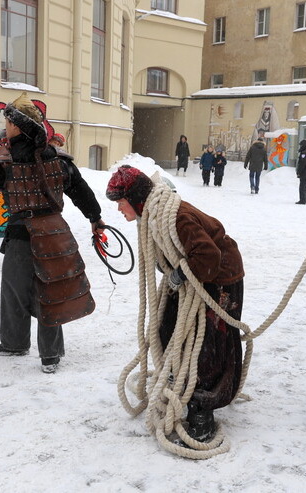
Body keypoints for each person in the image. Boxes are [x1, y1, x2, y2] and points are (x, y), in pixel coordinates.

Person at [0, 93, 104, 374]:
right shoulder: (58, 158)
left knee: (15, 289)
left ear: (16, 126)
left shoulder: (5, 160)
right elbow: (81, 190)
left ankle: (15, 342)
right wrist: (95, 218)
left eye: (8, 121)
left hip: (22, 234)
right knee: (49, 289)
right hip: (55, 231)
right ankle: (50, 354)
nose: (6, 126)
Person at [106, 165, 244, 443]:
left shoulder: (177, 217)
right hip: (200, 275)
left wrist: (181, 272)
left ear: (135, 200)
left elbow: (208, 254)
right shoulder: (154, 215)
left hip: (219, 278)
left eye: (121, 203)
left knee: (207, 346)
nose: (119, 210)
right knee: (168, 327)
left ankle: (202, 407)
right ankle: (180, 382)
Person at [295, 140, 306, 204]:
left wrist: (299, 172)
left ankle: (302, 200)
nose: (300, 146)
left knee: (302, 186)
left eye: (301, 145)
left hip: (304, 173)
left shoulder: (304, 153)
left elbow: (302, 164)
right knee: (305, 186)